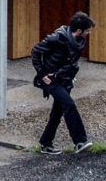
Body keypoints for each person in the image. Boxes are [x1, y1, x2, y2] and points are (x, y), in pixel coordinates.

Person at [31, 11, 95, 155]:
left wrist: (70, 75)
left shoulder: (79, 42)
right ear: (79, 31)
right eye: (88, 31)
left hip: (65, 79)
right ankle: (80, 142)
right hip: (51, 79)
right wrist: (42, 74)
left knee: (58, 112)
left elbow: (71, 63)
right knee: (69, 104)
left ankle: (46, 144)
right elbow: (35, 52)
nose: (89, 33)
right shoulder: (57, 38)